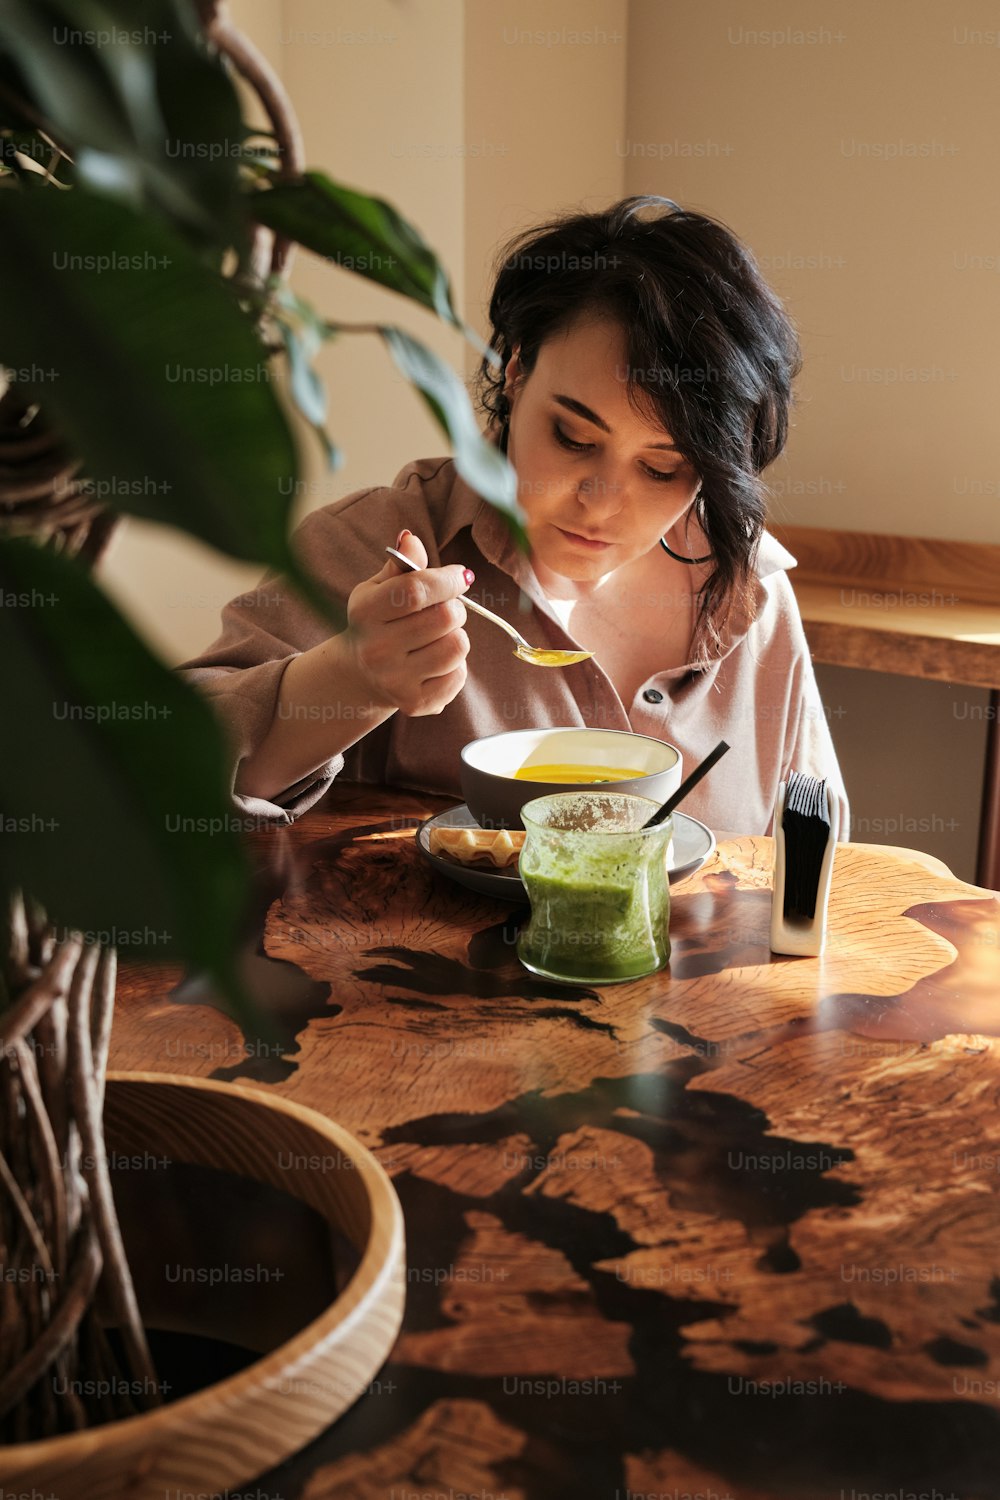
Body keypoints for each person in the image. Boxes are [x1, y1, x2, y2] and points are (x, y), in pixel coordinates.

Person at [178, 195, 850, 839]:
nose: (600, 501)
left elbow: (818, 853)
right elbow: (151, 777)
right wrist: (347, 680)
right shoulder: (377, 546)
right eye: (574, 438)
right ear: (517, 371)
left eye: (661, 468)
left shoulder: (751, 592)